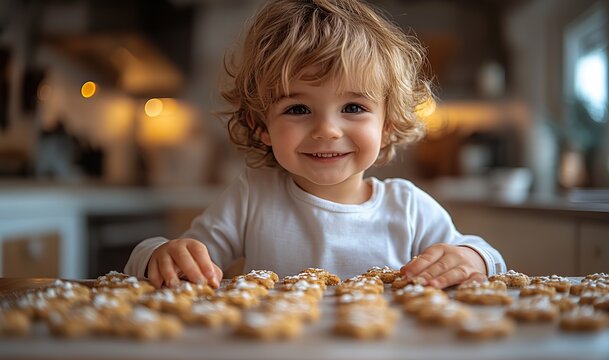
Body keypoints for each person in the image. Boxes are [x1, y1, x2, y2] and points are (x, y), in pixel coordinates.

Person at [124, 0, 506, 289]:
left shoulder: (407, 208)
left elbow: (489, 256)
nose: (327, 130)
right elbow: (179, 257)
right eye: (299, 108)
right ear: (262, 126)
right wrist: (158, 254)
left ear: (387, 125)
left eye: (353, 107)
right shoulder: (252, 199)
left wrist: (471, 257)